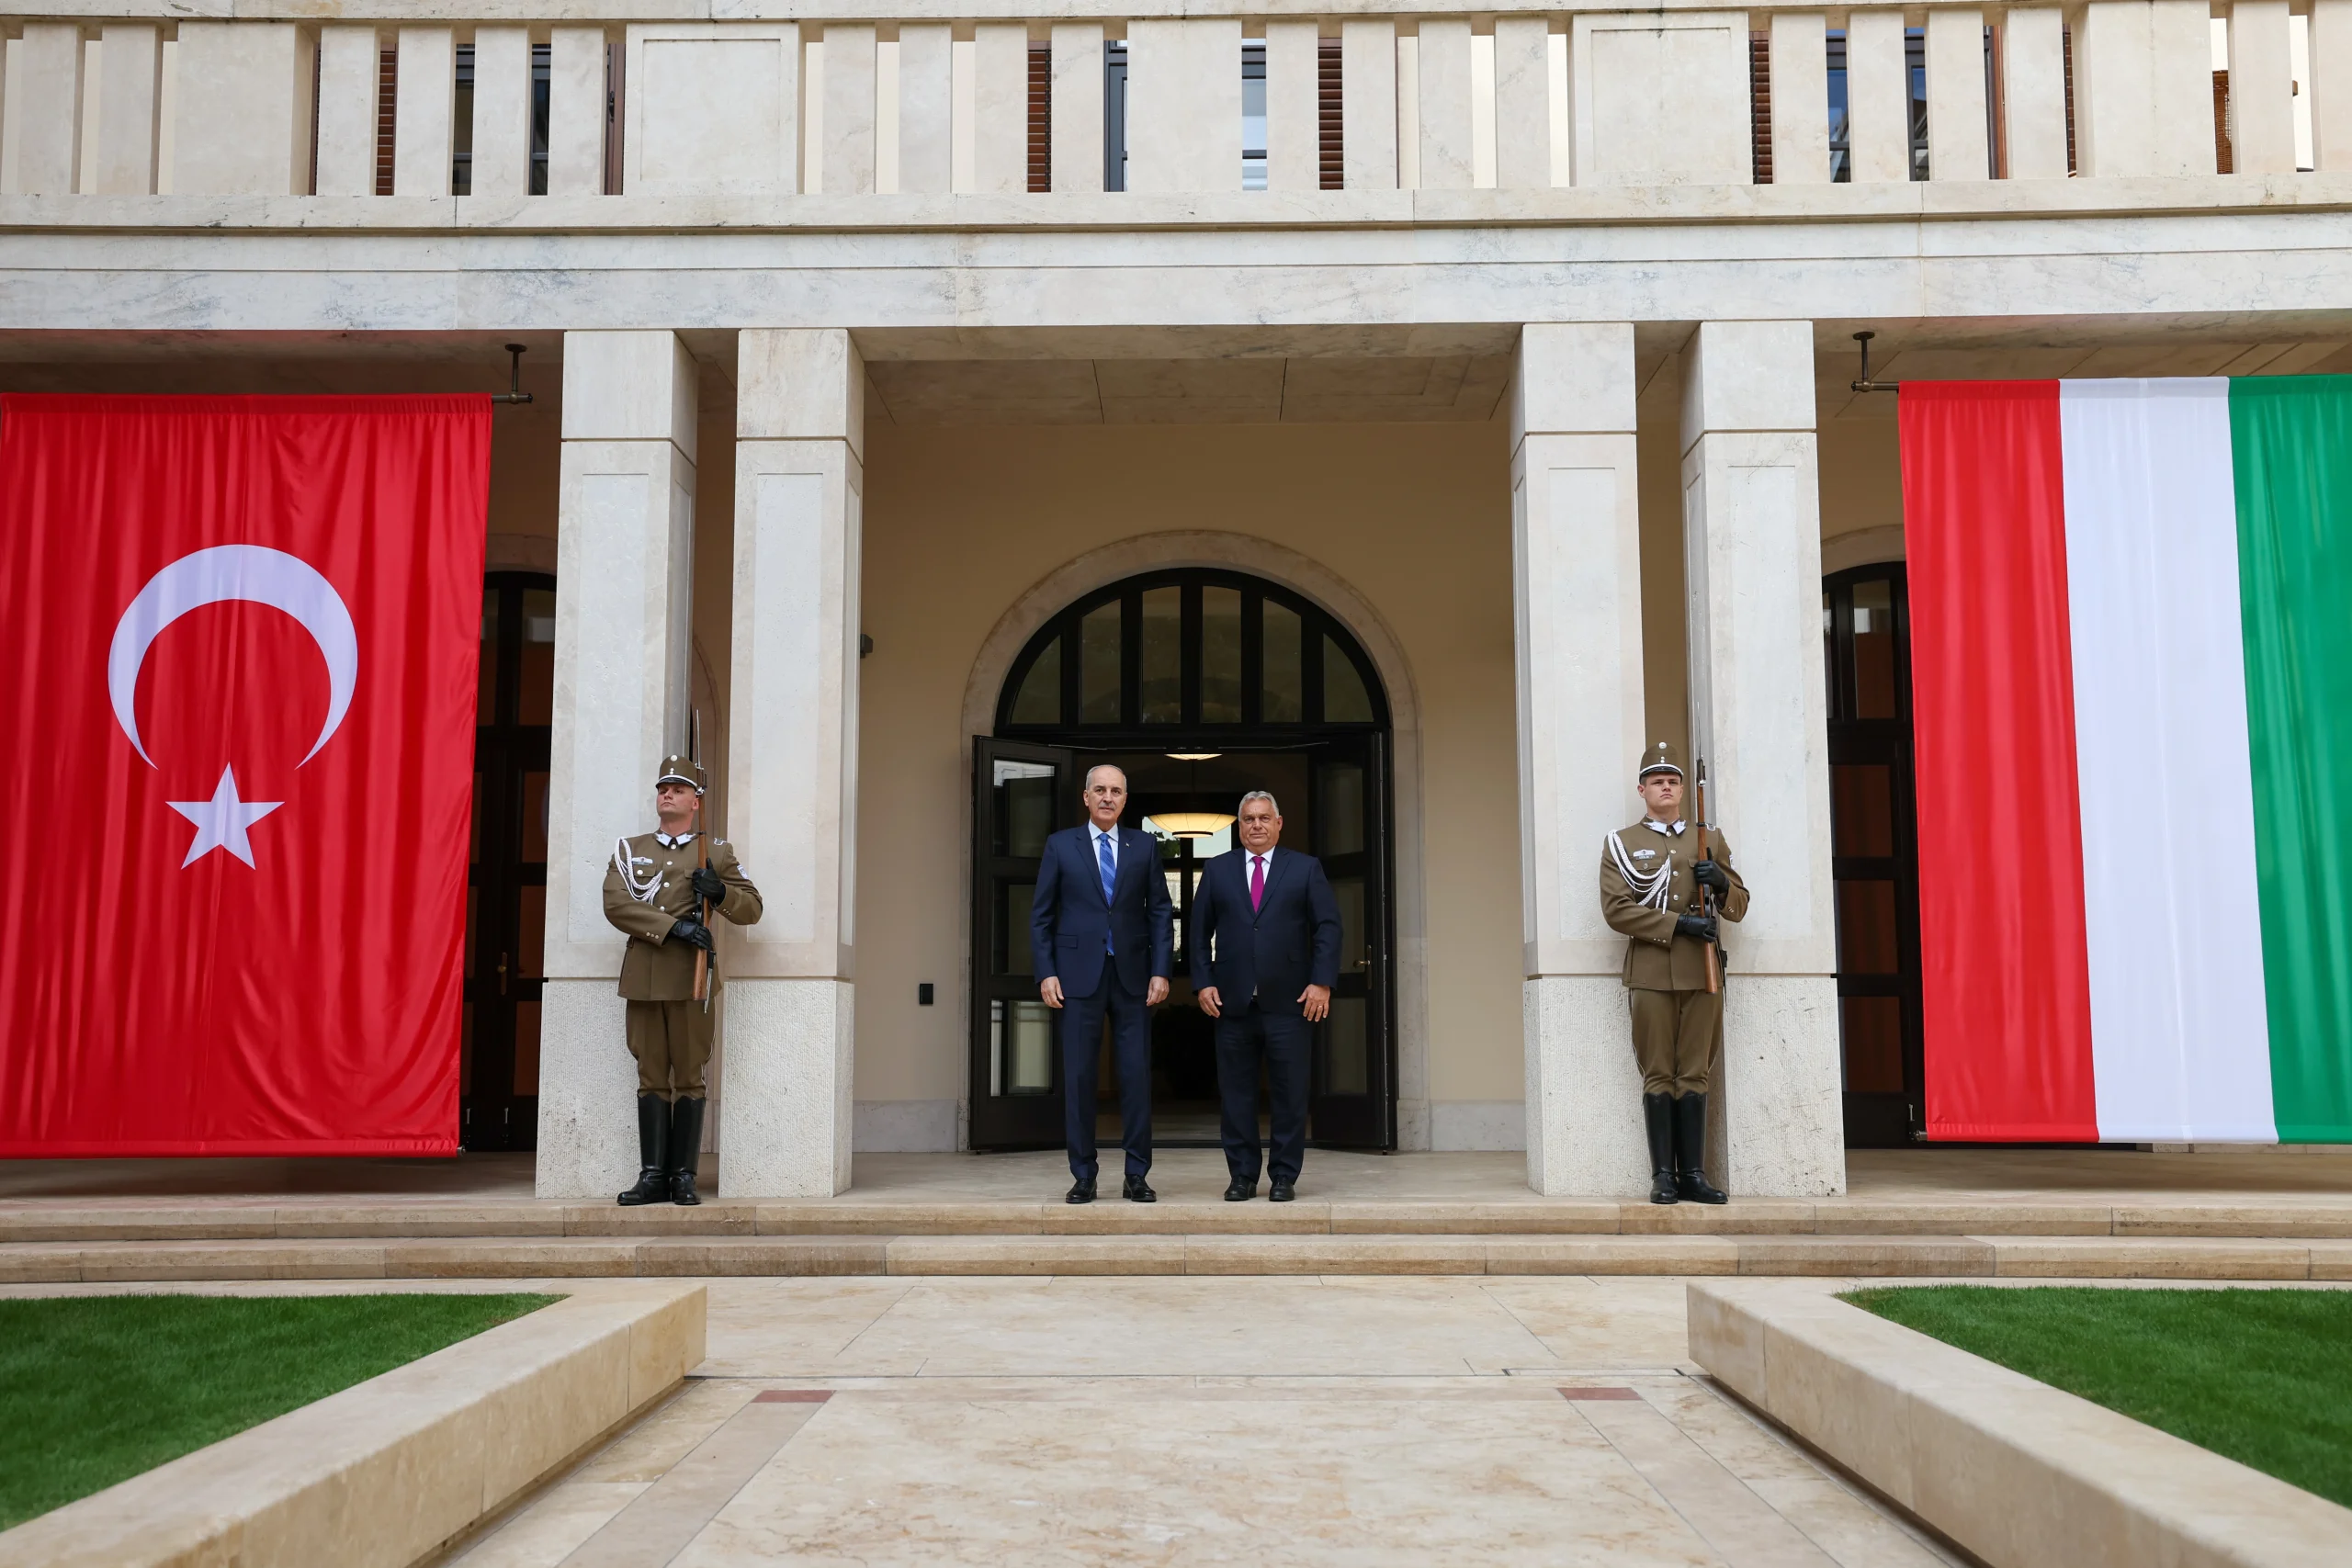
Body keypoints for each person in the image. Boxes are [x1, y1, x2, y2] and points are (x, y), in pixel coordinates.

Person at [600, 756, 762, 1206]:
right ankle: (652, 1176)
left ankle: (683, 1177)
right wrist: (674, 928)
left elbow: (752, 908)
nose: (666, 793)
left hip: (693, 978)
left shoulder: (717, 853)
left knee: (690, 1076)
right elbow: (617, 905)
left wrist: (720, 891)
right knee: (651, 1075)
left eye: (677, 788)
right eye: (662, 788)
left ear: (696, 800)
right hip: (646, 976)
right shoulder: (630, 850)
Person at [1598, 742, 1747, 1206]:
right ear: (1642, 790)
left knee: (1696, 1074)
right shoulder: (1622, 843)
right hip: (1651, 973)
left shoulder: (1709, 839)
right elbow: (1616, 910)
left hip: (1703, 973)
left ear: (1682, 789)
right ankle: (1664, 1175)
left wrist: (1721, 883)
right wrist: (1679, 924)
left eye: (1673, 780)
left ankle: (1694, 1175)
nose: (1667, 786)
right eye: (1657, 781)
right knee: (1659, 1073)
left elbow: (1739, 905)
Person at [1031, 763, 1174, 1203]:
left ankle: (1137, 1175)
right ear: (1086, 797)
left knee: (1134, 1078)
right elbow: (1042, 916)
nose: (1108, 797)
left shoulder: (1144, 846)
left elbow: (1160, 912)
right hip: (1076, 977)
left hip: (1133, 977)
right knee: (1079, 1078)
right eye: (1100, 790)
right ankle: (1084, 1175)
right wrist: (1046, 971)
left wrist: (1161, 969)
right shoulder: (1060, 845)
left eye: (1116, 791)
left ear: (1125, 799)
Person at [1191, 791, 1342, 1202]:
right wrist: (1203, 982)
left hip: (1291, 1003)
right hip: (1233, 1004)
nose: (1256, 825)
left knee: (1290, 1094)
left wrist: (1322, 982)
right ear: (1238, 827)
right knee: (1236, 1095)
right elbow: (1198, 932)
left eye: (1263, 818)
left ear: (1279, 823)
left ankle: (1283, 1176)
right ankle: (1241, 1176)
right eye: (1248, 819)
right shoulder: (1218, 870)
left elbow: (1327, 927)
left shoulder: (1305, 868)